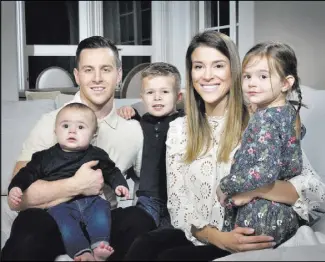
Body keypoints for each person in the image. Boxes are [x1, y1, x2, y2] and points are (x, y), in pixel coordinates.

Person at [124, 30, 325, 261]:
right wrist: (218, 237)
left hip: (251, 231)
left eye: (218, 66)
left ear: (234, 71)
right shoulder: (179, 129)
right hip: (203, 236)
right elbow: (179, 208)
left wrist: (254, 189)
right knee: (145, 244)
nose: (207, 75)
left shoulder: (260, 121)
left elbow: (316, 193)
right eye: (198, 66)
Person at [1, 36, 156, 261]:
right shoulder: (52, 122)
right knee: (29, 227)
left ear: (119, 75)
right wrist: (77, 185)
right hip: (53, 218)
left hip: (102, 222)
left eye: (106, 69)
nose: (97, 78)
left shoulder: (132, 129)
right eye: (88, 70)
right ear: (77, 75)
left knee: (140, 220)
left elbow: (153, 183)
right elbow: (19, 196)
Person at [8, 102, 130, 261]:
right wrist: (16, 187)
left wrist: (120, 185)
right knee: (67, 225)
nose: (72, 130)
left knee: (102, 211)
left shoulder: (97, 154)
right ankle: (81, 252)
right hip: (60, 204)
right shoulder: (44, 157)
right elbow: (27, 173)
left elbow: (111, 171)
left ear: (93, 135)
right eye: (65, 126)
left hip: (91, 201)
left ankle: (100, 246)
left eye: (80, 127)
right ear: (55, 131)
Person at [216, 41, 304, 246]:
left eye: (263, 77)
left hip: (259, 215)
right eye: (247, 76)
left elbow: (264, 172)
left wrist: (225, 185)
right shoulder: (290, 113)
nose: (251, 83)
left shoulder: (265, 119)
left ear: (285, 83)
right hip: (284, 213)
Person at [117, 62, 183, 228]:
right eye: (150, 92)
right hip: (148, 198)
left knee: (168, 240)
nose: (157, 97)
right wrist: (126, 110)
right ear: (142, 97)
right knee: (139, 231)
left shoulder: (184, 122)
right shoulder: (139, 122)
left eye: (165, 92)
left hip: (177, 198)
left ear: (178, 97)